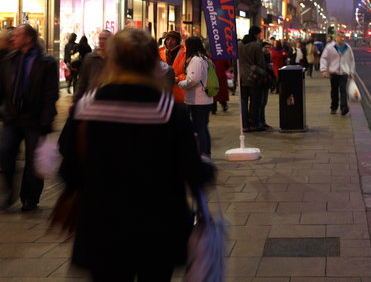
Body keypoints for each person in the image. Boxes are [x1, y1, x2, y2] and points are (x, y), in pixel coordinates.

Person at [56, 29, 213, 281]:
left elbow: (69, 171)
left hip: (101, 228)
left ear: (113, 60)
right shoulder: (169, 111)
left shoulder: (87, 108)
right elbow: (193, 173)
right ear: (152, 61)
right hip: (158, 230)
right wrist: (205, 167)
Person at [0, 24, 59, 211]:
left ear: (28, 39)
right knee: (6, 153)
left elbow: (51, 94)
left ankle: (30, 198)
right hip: (12, 117)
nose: (12, 39)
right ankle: (9, 192)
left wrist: (46, 119)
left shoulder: (47, 62)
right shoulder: (9, 60)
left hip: (35, 118)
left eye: (16, 36)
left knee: (34, 161)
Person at [178, 37, 214, 157]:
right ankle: (206, 152)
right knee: (202, 127)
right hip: (203, 98)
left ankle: (203, 153)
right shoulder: (204, 58)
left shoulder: (196, 60)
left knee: (199, 128)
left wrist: (180, 83)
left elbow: (193, 79)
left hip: (198, 99)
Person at [320, 30, 356, 116]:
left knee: (343, 90)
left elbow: (351, 60)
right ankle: (334, 107)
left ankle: (344, 108)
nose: (342, 38)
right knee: (334, 91)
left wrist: (351, 72)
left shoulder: (348, 48)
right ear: (336, 37)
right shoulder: (329, 47)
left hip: (344, 72)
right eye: (340, 36)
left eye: (343, 36)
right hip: (334, 72)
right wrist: (323, 70)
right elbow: (324, 58)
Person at [238, 25, 267, 131]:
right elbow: (260, 62)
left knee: (243, 101)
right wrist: (264, 73)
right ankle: (254, 123)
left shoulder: (239, 44)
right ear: (256, 34)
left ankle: (245, 125)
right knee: (255, 101)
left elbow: (235, 62)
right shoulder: (256, 45)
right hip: (253, 77)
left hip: (241, 77)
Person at [73, 30, 112, 102]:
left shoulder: (114, 58)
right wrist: (75, 100)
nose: (102, 41)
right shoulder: (90, 58)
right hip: (91, 98)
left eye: (105, 39)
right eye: (100, 39)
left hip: (109, 99)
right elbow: (82, 80)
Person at [159, 30, 186, 103]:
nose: (169, 42)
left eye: (173, 40)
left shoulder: (185, 53)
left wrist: (177, 79)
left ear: (177, 41)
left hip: (179, 94)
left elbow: (190, 74)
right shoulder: (159, 52)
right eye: (167, 39)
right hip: (162, 93)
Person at [259, 41, 276, 129]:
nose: (267, 49)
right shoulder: (260, 57)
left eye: (268, 48)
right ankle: (260, 122)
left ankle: (263, 121)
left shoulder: (268, 56)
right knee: (261, 103)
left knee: (264, 102)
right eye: (265, 47)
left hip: (266, 82)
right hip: (261, 81)